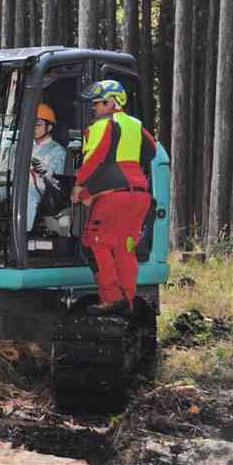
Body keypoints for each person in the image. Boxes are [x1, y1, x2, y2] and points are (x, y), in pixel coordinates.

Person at [71, 80, 156, 314]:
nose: (95, 108)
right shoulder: (135, 125)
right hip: (139, 195)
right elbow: (151, 150)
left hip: (113, 197)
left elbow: (95, 159)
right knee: (124, 248)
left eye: (99, 103)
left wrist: (79, 186)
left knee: (95, 242)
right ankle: (127, 301)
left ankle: (110, 299)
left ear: (114, 102)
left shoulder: (103, 125)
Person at [27, 103, 66, 232]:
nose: (34, 129)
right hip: (19, 187)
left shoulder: (57, 151)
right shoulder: (24, 147)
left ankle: (23, 233)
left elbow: (57, 182)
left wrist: (45, 170)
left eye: (38, 125)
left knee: (28, 195)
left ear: (49, 127)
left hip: (42, 192)